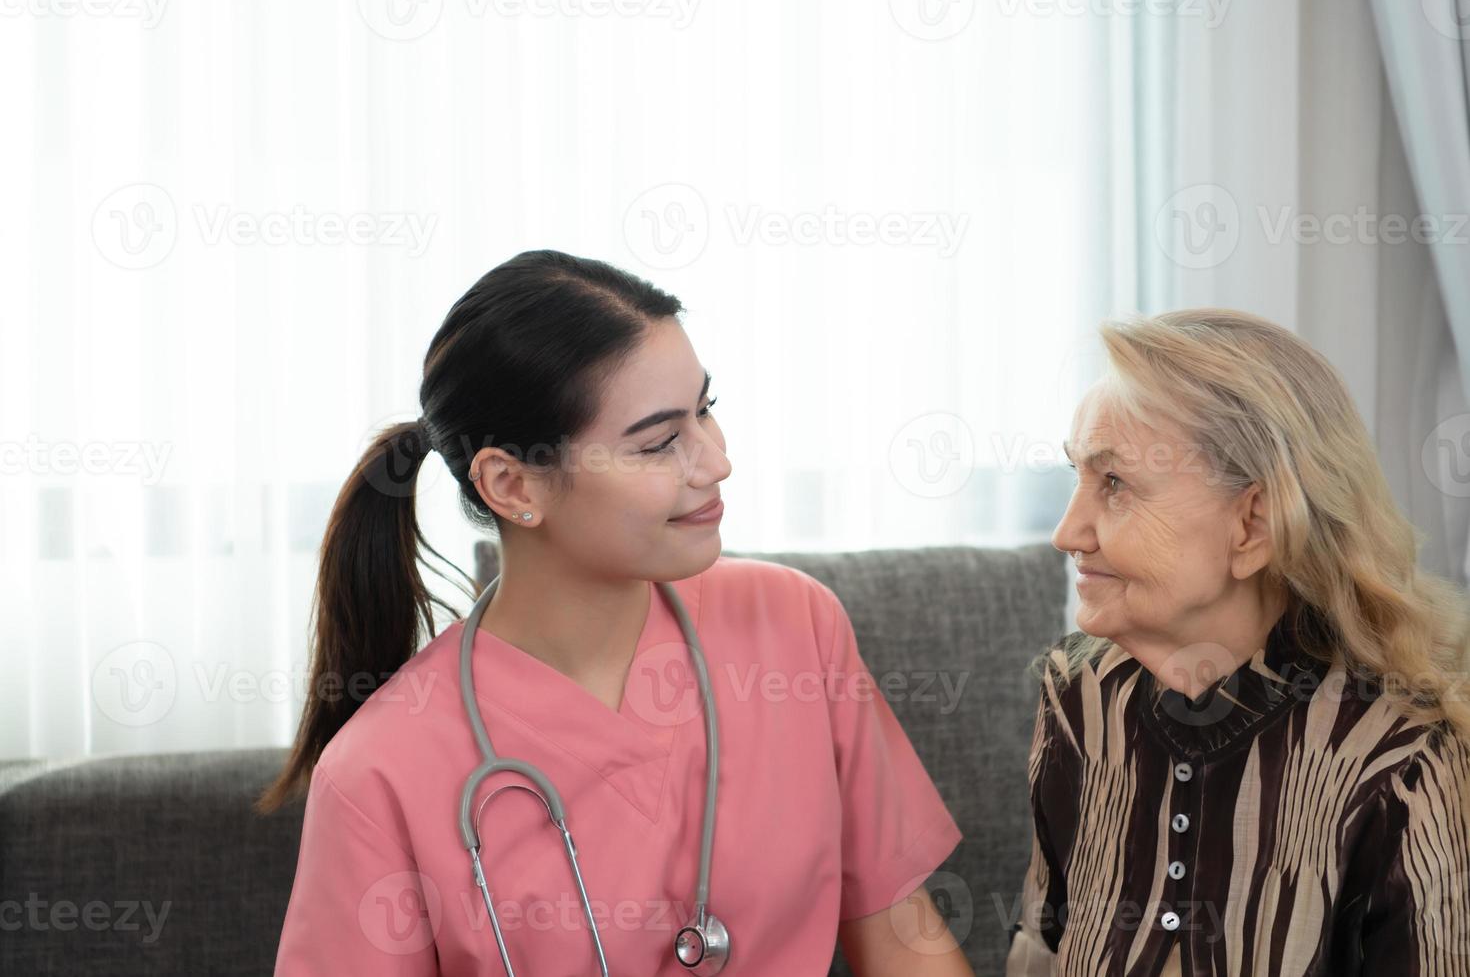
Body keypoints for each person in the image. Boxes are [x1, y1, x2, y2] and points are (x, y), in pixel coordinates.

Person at [260, 250, 971, 975]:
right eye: (661, 441)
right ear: (510, 484)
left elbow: (903, 938)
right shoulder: (379, 772)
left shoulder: (794, 626)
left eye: (706, 411)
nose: (715, 461)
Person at [1006, 309, 1470, 976]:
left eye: (1114, 484)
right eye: (1077, 476)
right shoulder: (1078, 696)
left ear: (1253, 524)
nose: (1067, 531)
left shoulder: (1402, 755)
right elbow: (1044, 946)